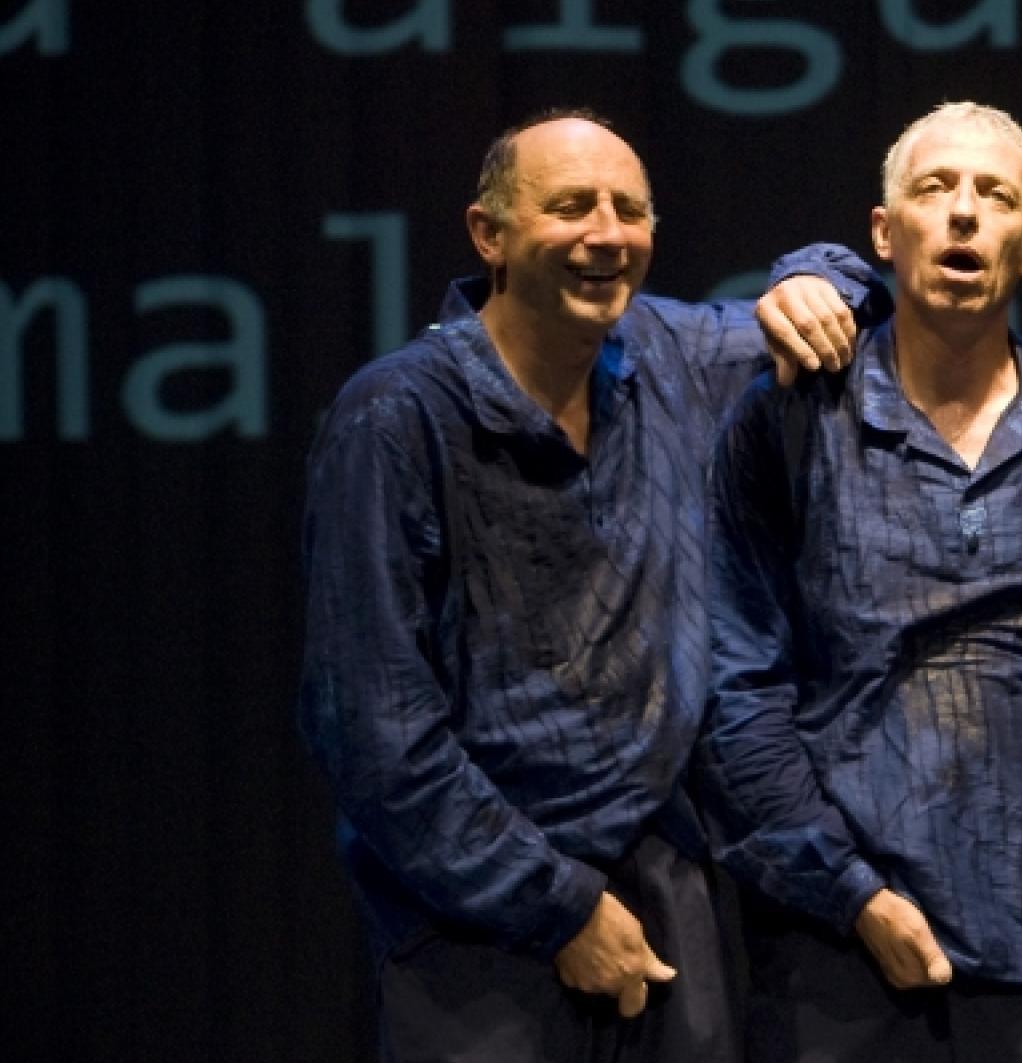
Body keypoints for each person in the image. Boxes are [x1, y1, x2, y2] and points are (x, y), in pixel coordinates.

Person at [297, 108, 878, 1062]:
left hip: (664, 881)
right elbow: (371, 725)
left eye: (629, 210)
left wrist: (812, 279)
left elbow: (851, 289)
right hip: (475, 916)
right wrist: (557, 907)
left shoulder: (671, 355)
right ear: (489, 234)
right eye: (570, 207)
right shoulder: (397, 416)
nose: (607, 234)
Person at [697, 101, 1022, 1063]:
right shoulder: (789, 422)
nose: (965, 211)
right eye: (935, 189)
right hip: (841, 962)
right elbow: (735, 685)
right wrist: (849, 892)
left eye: (995, 195)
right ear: (883, 234)